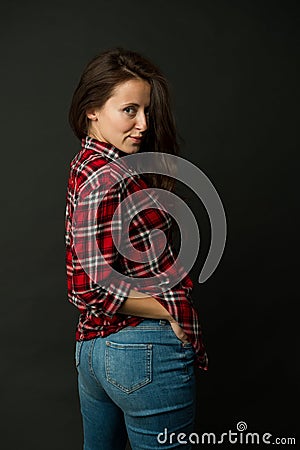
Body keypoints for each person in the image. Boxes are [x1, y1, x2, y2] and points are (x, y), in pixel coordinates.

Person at [65, 47, 208, 450]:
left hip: (95, 350)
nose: (143, 123)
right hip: (141, 351)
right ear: (92, 109)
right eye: (130, 110)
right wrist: (172, 311)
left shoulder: (88, 163)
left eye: (146, 111)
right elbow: (84, 287)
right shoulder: (107, 175)